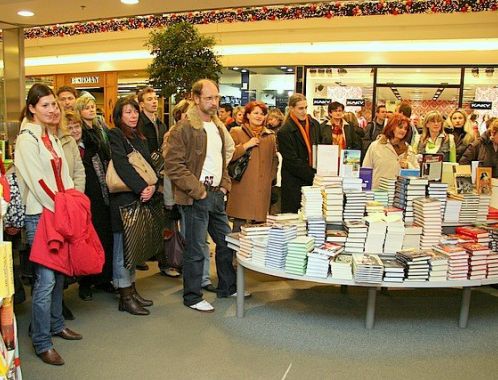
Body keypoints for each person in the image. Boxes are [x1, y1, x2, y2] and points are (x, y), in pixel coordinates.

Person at [15, 83, 82, 366]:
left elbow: (65, 175)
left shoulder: (50, 136)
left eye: (54, 104)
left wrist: (68, 203)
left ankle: (56, 325)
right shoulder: (26, 139)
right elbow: (37, 182)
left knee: (60, 275)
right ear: (32, 108)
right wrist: (61, 208)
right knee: (45, 281)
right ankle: (42, 341)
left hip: (58, 211)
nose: (53, 109)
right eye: (45, 105)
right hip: (41, 215)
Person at [164, 79, 239, 313]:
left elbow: (222, 160)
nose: (214, 102)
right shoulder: (183, 129)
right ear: (195, 99)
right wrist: (199, 191)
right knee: (196, 248)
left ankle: (228, 286)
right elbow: (173, 165)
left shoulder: (217, 127)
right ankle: (192, 296)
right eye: (209, 98)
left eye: (216, 97)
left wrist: (225, 185)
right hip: (196, 197)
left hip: (217, 195)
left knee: (227, 242)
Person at [108, 96, 156, 316]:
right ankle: (124, 295)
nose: (133, 115)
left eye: (135, 111)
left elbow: (148, 166)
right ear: (119, 116)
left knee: (134, 247)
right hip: (123, 201)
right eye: (127, 112)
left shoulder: (139, 136)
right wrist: (141, 187)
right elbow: (122, 165)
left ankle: (132, 289)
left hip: (139, 198)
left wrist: (152, 187)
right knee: (121, 251)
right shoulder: (115, 134)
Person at [74, 96, 114, 301]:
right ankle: (86, 281)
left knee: (104, 231)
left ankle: (103, 277)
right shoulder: (77, 130)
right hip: (88, 185)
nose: (91, 110)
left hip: (103, 183)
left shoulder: (101, 128)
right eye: (86, 107)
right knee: (90, 232)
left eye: (92, 107)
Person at [227, 101, 278, 232]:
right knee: (239, 230)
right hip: (242, 188)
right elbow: (229, 156)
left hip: (262, 189)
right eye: (255, 113)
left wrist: (269, 178)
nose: (259, 116)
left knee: (259, 232)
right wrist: (246, 145)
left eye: (262, 114)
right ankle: (235, 253)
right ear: (248, 115)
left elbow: (274, 160)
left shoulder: (270, 136)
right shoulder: (236, 132)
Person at [277, 93, 323, 213]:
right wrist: (312, 175)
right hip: (294, 181)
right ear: (292, 109)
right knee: (294, 217)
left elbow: (321, 147)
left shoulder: (315, 125)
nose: (304, 111)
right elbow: (291, 161)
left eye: (306, 107)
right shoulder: (284, 131)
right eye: (300, 108)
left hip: (313, 178)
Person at [363, 113, 419, 189]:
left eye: (405, 129)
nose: (403, 130)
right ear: (391, 127)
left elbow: (417, 174)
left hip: (400, 195)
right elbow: (366, 170)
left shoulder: (408, 149)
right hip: (378, 194)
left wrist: (408, 166)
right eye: (400, 127)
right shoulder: (375, 146)